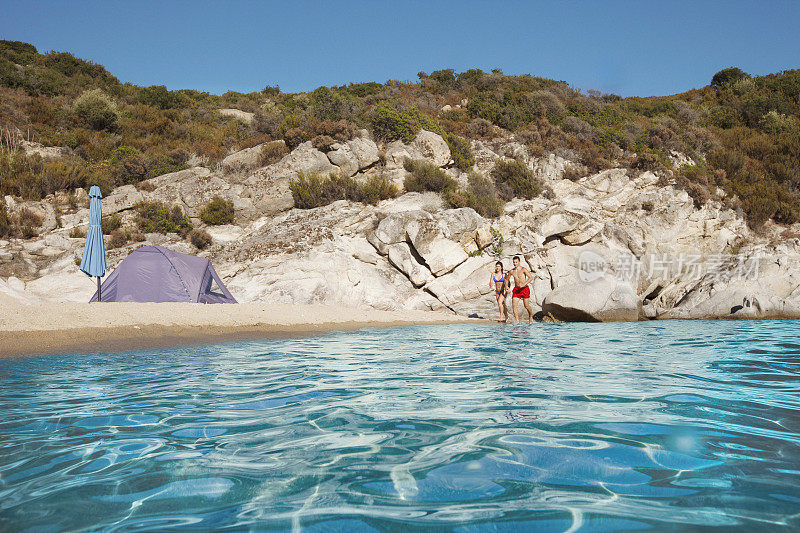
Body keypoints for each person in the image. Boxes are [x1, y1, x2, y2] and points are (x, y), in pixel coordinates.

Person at [509, 255, 534, 323]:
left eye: (516, 262)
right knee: (514, 305)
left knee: (526, 306)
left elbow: (531, 277)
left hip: (524, 289)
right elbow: (506, 279)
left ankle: (530, 316)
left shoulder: (523, 269)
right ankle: (517, 321)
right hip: (517, 290)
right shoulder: (512, 271)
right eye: (514, 262)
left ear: (519, 262)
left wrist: (524, 284)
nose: (515, 264)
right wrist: (506, 288)